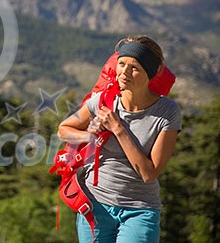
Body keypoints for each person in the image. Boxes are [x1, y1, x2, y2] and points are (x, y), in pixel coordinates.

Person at [57, 36, 181, 243]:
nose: (124, 72)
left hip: (140, 210)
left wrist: (117, 129)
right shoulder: (103, 101)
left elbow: (149, 173)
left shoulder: (167, 112)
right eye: (121, 64)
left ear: (152, 72)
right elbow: (64, 129)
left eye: (135, 68)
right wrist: (92, 136)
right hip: (94, 205)